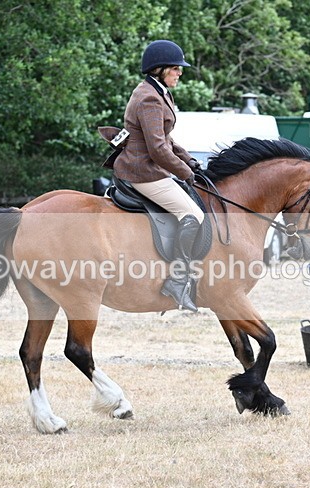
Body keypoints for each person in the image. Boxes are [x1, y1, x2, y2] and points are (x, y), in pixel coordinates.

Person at [114, 40, 204, 312]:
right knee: (194, 216)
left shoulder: (159, 92)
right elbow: (157, 149)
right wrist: (186, 174)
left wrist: (190, 161)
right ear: (160, 69)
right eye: (176, 68)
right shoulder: (150, 98)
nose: (180, 73)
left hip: (150, 168)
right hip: (143, 172)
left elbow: (166, 138)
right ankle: (177, 281)